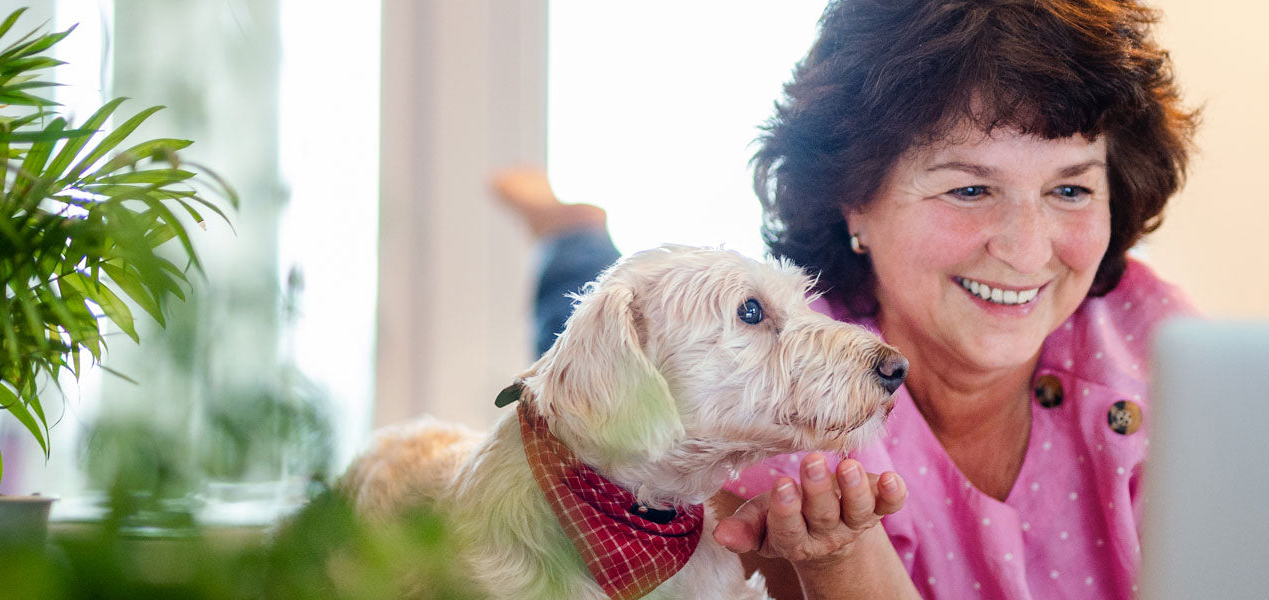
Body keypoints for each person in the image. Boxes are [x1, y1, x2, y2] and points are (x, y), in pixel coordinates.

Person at [495, 0, 1196, 598]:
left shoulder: (1162, 347)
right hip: (645, 381)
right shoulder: (764, 406)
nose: (1027, 249)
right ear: (854, 199)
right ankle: (575, 233)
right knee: (581, 319)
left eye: (1070, 189)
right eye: (970, 188)